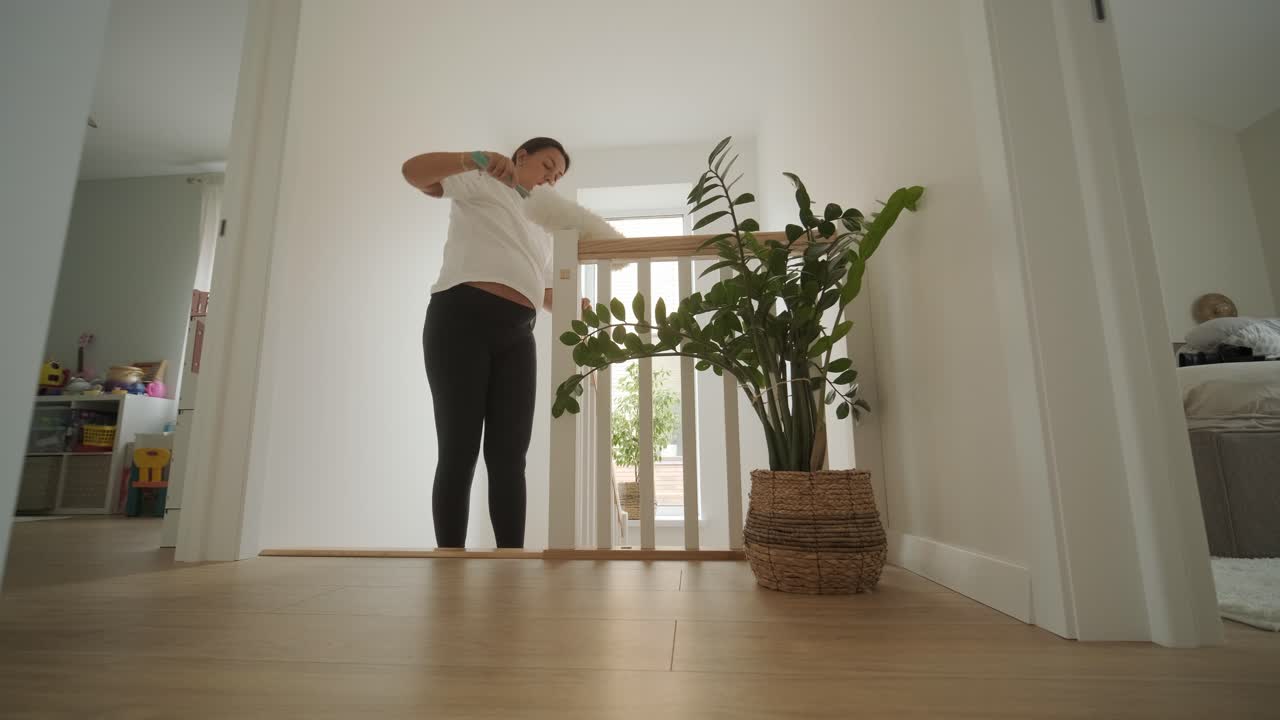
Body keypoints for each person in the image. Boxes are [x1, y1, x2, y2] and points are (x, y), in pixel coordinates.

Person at [401, 138, 570, 549]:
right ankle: (450, 564)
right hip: (461, 320)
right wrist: (467, 158)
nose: (552, 177)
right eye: (548, 165)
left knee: (510, 459)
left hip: (518, 333)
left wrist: (570, 301)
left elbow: (541, 289)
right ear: (522, 157)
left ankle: (511, 564)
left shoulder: (543, 225)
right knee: (459, 453)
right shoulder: (484, 181)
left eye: (559, 175)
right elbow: (413, 171)